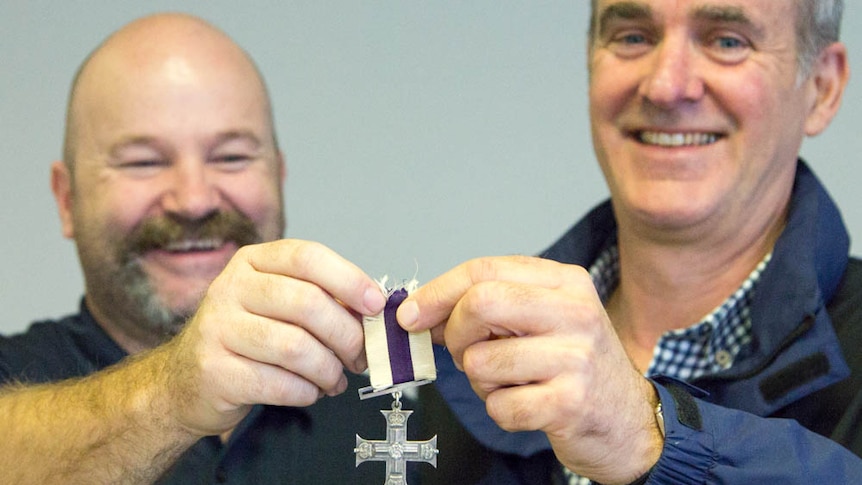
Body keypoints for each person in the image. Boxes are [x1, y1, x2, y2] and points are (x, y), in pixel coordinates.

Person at [0, 13, 488, 484]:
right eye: (143, 162)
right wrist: (173, 390)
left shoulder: (413, 403)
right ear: (67, 200)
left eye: (231, 156)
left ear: (278, 176)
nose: (193, 200)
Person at [398, 0, 862, 483]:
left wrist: (655, 438)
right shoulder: (464, 371)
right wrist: (318, 418)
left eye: (727, 41)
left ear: (823, 88)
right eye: (633, 36)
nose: (665, 86)